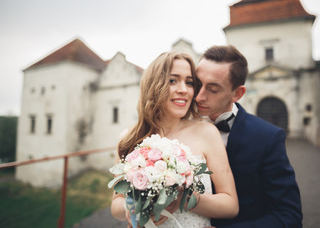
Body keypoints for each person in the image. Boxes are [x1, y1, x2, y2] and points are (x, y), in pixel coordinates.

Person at [110, 51, 239, 228]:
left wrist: (183, 199)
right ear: (154, 84)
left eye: (189, 82)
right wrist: (131, 207)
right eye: (173, 80)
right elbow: (116, 201)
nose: (183, 90)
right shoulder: (128, 138)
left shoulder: (207, 132)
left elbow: (230, 205)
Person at [195, 45, 302, 228]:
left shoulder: (267, 137)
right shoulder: (176, 126)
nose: (198, 96)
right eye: (196, 84)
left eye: (212, 89)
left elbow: (289, 216)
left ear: (237, 93)